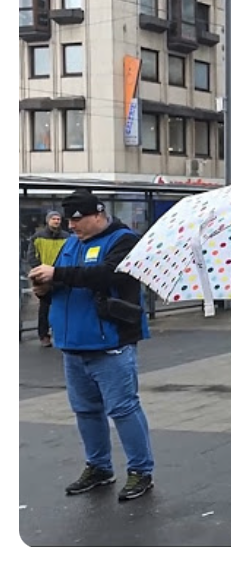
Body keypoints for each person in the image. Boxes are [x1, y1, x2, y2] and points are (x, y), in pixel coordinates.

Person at [28, 191, 155, 501]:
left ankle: (141, 471)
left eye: (77, 219)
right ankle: (99, 466)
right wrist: (44, 289)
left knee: (123, 408)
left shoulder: (123, 240)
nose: (72, 226)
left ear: (98, 214)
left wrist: (57, 273)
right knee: (85, 410)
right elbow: (62, 284)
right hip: (73, 343)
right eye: (69, 219)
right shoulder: (72, 244)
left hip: (110, 342)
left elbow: (104, 274)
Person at [25, 210, 70, 347]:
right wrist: (40, 271)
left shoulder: (67, 237)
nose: (56, 221)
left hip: (61, 276)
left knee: (62, 306)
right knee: (44, 308)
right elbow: (31, 256)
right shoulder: (37, 237)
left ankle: (60, 333)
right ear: (48, 220)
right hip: (43, 277)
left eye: (58, 219)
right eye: (53, 219)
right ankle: (44, 335)